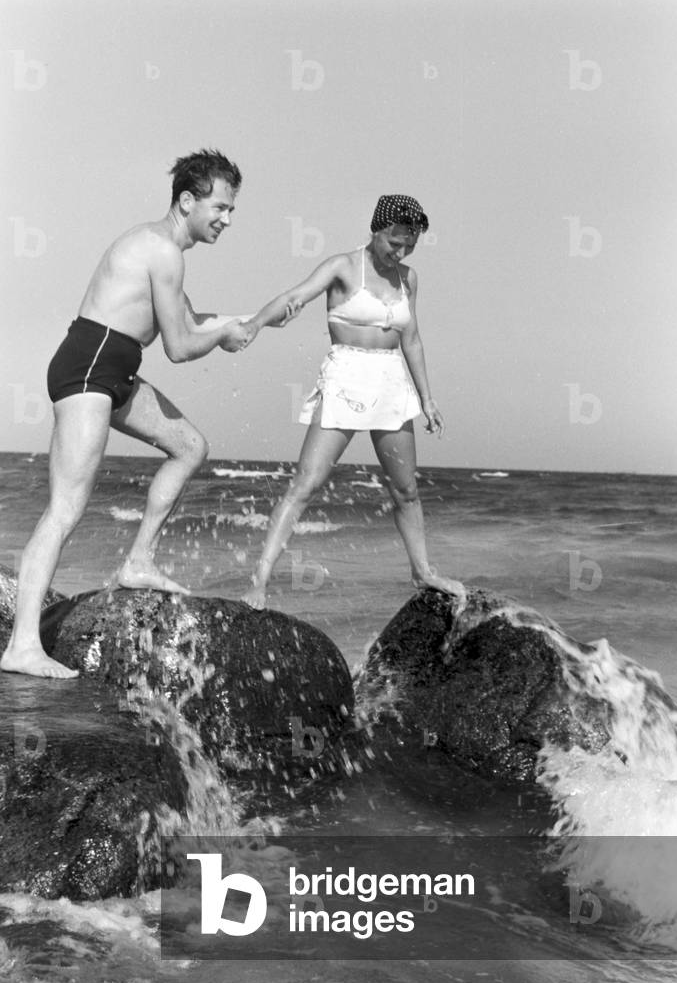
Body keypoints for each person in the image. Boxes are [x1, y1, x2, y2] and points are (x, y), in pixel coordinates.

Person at [2, 149, 266, 679]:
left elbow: (194, 320)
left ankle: (138, 561)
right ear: (187, 200)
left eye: (232, 209)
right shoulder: (162, 250)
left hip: (113, 369)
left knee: (190, 446)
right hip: (89, 367)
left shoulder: (163, 249)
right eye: (220, 206)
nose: (227, 219)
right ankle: (23, 646)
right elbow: (181, 346)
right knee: (65, 508)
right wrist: (222, 334)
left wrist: (258, 319)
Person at [239, 194, 466, 610]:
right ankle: (260, 580)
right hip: (346, 376)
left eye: (409, 246)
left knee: (406, 489)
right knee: (305, 484)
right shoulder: (343, 266)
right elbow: (297, 295)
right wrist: (254, 324)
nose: (400, 252)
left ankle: (422, 571)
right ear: (376, 230)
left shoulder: (409, 279)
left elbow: (411, 338)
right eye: (394, 242)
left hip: (391, 381)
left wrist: (427, 399)